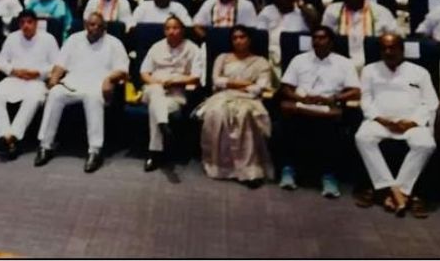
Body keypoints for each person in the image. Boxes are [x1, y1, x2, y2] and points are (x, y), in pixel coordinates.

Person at [355, 34, 437, 217]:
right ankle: (393, 189)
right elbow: (366, 100)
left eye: (392, 48)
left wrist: (412, 122)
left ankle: (400, 192)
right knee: (362, 137)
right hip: (380, 122)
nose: (388, 52)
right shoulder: (369, 70)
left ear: (402, 50)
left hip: (411, 123)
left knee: (426, 144)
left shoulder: (420, 72)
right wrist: (380, 119)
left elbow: (430, 103)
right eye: (384, 48)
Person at [35, 12, 128, 171]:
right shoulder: (73, 39)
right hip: (72, 82)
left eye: (100, 25)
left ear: (105, 27)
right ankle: (45, 145)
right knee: (55, 94)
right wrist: (54, 79)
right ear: (86, 25)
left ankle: (95, 150)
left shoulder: (114, 43)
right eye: (92, 25)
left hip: (97, 85)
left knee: (92, 97)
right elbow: (60, 64)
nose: (95, 28)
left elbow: (123, 70)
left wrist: (108, 80)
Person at [277, 26, 360, 198]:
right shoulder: (299, 60)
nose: (317, 41)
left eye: (322, 38)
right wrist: (300, 99)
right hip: (301, 103)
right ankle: (289, 170)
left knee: (332, 120)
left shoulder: (345, 63)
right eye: (314, 38)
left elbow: (355, 91)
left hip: (327, 104)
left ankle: (328, 176)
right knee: (287, 113)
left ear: (331, 42)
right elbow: (286, 88)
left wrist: (334, 98)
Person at [195, 27, 274, 185]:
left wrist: (230, 83)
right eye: (235, 38)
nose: (238, 41)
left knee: (243, 115)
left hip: (249, 99)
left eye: (242, 37)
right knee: (216, 113)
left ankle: (248, 170)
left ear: (249, 39)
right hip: (222, 96)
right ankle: (222, 167)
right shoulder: (222, 58)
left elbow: (260, 86)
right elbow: (216, 81)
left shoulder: (260, 62)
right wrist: (244, 83)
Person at [0, 10, 60, 160]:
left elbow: (57, 64)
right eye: (22, 22)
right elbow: (1, 61)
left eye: (29, 22)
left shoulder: (48, 39)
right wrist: (13, 70)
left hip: (37, 80)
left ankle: (14, 136)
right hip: (15, 78)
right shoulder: (12, 38)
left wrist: (38, 72)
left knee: (33, 99)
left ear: (36, 23)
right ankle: (4, 134)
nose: (26, 26)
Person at [139, 16, 202, 171]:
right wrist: (158, 83)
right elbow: (144, 73)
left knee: (157, 107)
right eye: (167, 28)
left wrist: (174, 82)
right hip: (153, 88)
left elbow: (196, 77)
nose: (171, 32)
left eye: (175, 28)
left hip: (176, 93)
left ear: (182, 30)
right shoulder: (156, 47)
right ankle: (163, 129)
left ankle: (155, 151)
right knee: (155, 92)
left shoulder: (193, 49)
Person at [320, 0, 399, 69]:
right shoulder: (333, 10)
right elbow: (324, 35)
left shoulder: (381, 12)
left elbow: (395, 37)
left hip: (374, 62)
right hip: (339, 63)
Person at [193, 0, 259, 38]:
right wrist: (208, 39)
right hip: (214, 40)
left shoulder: (246, 5)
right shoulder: (209, 3)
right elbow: (196, 26)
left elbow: (252, 30)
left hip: (237, 42)